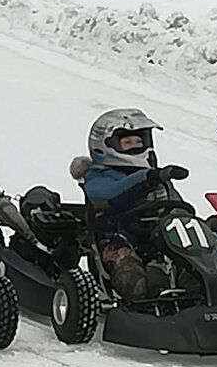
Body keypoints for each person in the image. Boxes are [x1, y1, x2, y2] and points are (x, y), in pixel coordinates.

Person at [71, 108, 189, 301]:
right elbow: (109, 195)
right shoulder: (98, 176)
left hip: (158, 242)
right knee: (141, 283)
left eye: (139, 141)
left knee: (193, 263)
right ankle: (152, 302)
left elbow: (176, 206)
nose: (136, 146)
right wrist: (148, 179)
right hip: (118, 241)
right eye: (127, 142)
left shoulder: (157, 176)